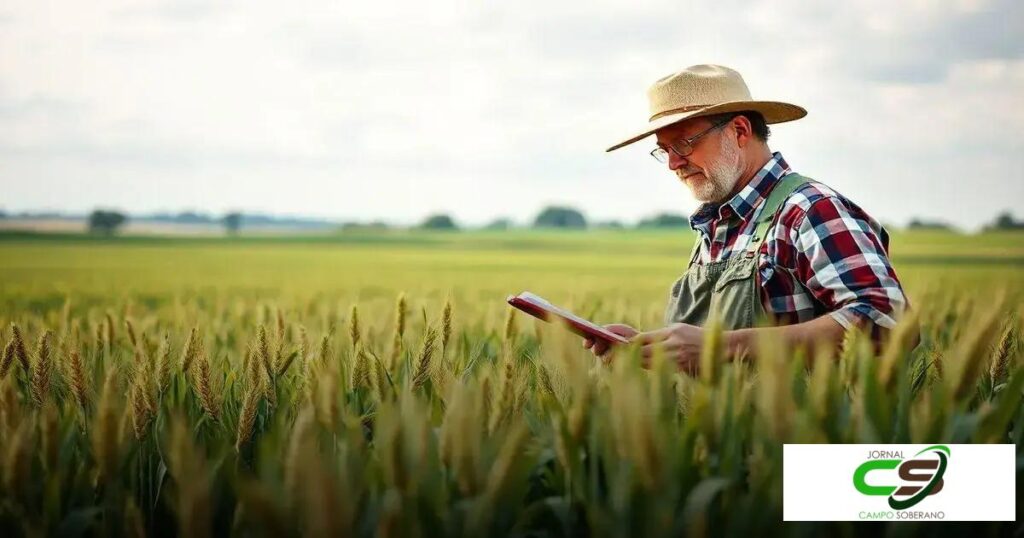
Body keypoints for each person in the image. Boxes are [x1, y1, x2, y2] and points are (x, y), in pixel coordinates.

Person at [585, 64, 910, 372]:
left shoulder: (809, 211)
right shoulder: (718, 225)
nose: (673, 163)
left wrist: (722, 347)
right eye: (664, 150)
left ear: (740, 130)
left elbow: (887, 319)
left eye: (684, 143)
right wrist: (650, 348)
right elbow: (714, 360)